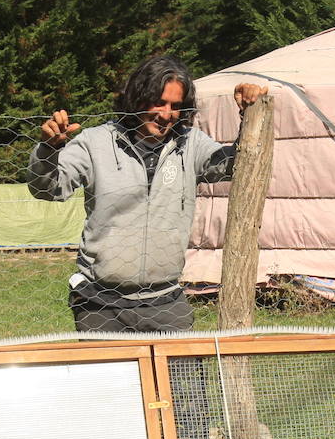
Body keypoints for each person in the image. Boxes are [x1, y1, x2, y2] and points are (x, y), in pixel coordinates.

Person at [28, 55, 267, 333]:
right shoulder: (95, 143)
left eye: (175, 106)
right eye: (159, 102)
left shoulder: (190, 144)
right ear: (137, 98)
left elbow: (238, 166)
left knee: (184, 376)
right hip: (101, 301)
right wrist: (48, 149)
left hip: (165, 300)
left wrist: (250, 114)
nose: (166, 115)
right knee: (114, 378)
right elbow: (47, 189)